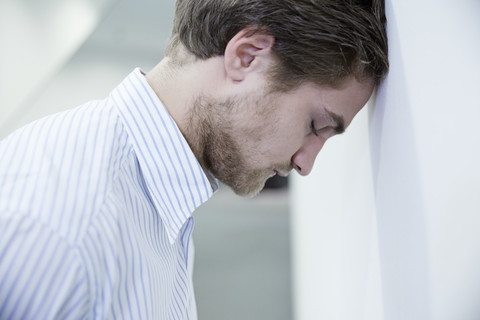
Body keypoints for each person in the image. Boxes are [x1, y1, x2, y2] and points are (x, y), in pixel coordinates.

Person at [0, 0, 389, 318]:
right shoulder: (65, 227)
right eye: (316, 124)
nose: (306, 164)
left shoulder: (154, 203)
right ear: (247, 56)